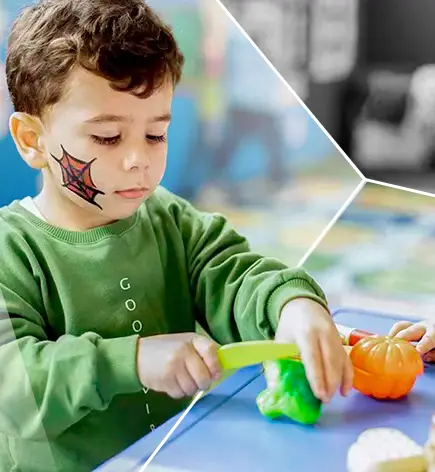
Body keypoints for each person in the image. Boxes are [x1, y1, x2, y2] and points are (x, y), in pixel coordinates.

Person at [0, 0, 352, 470]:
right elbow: (14, 388)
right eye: (107, 137)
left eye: (156, 135)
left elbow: (235, 275)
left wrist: (291, 305)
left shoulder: (169, 218)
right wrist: (133, 361)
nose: (138, 160)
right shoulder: (11, 249)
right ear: (31, 140)